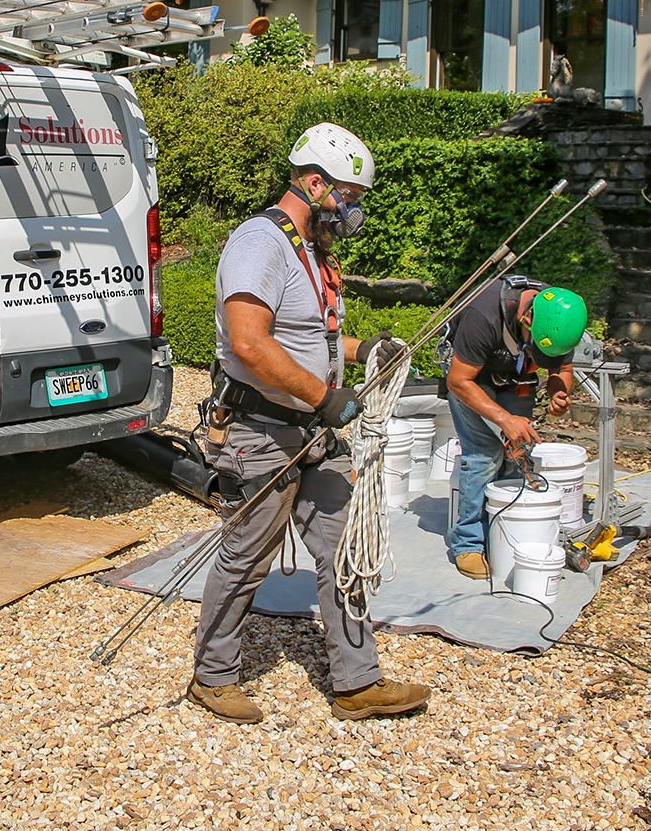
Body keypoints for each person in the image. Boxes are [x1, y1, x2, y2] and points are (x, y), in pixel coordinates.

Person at [188, 122, 431, 725]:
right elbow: (249, 343)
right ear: (316, 184)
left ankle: (357, 682)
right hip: (259, 430)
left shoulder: (311, 252)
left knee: (347, 544)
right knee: (248, 555)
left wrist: (364, 349)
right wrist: (325, 398)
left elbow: (308, 338)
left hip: (311, 430)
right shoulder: (260, 243)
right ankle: (212, 677)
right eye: (349, 197)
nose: (353, 212)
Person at [442, 278, 586, 579]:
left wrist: (559, 392)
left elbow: (563, 369)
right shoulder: (484, 315)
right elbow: (458, 381)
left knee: (517, 451)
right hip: (470, 378)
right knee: (484, 455)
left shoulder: (560, 319)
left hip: (516, 376)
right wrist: (505, 419)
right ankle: (468, 543)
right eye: (538, 348)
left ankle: (504, 530)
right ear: (527, 319)